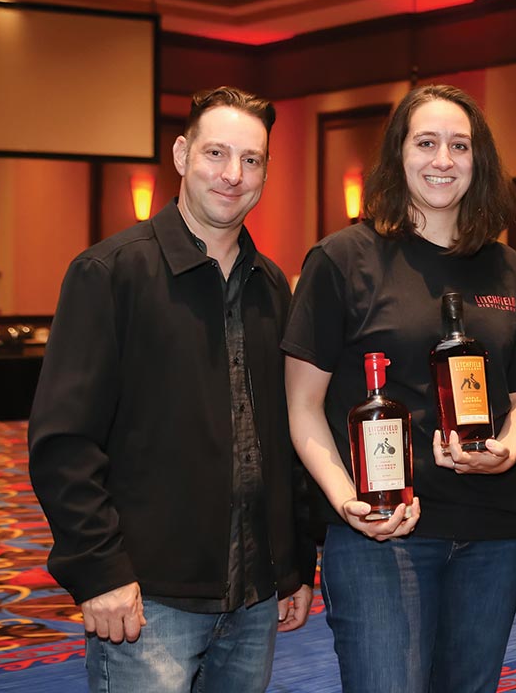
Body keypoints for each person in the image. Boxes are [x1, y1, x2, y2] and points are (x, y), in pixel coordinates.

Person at [28, 86, 316, 693]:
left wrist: (293, 565)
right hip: (146, 598)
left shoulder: (273, 288)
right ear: (182, 155)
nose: (233, 175)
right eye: (216, 153)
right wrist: (99, 572)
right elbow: (64, 443)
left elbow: (285, 437)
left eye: (252, 160)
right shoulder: (110, 273)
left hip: (256, 596)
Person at [283, 84, 516, 693]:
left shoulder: (505, 268)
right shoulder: (343, 259)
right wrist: (348, 500)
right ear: (398, 156)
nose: (443, 160)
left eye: (460, 145)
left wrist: (506, 448)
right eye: (425, 143)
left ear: (479, 161)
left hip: (495, 534)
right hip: (384, 534)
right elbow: (301, 410)